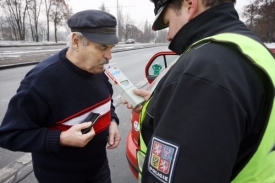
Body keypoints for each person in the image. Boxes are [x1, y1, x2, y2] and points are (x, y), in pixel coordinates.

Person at [124, 0, 275, 182]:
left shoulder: (206, 70)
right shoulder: (254, 50)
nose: (169, 36)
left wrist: (189, 94)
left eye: (168, 23)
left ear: (190, 4)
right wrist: (165, 104)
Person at [0, 10, 121, 183]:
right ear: (76, 41)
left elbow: (106, 103)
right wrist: (62, 139)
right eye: (102, 47)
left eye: (111, 48)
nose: (109, 56)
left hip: (99, 171)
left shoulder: (97, 70)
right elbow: (10, 134)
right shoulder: (41, 81)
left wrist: (113, 121)